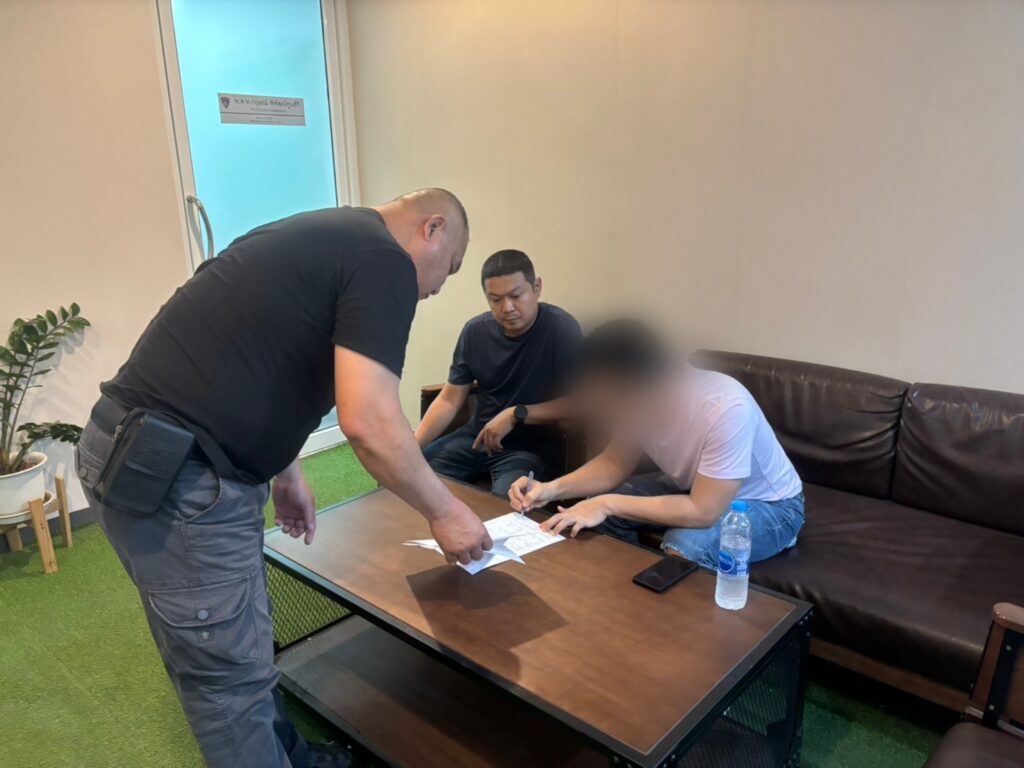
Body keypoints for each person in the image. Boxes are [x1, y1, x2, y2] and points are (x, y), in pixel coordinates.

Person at [74, 189, 492, 768]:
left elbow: (255, 358)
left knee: (238, 641)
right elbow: (369, 420)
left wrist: (285, 469)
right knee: (227, 683)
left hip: (136, 450)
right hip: (179, 475)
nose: (439, 287)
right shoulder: (384, 260)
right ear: (433, 228)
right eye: (451, 267)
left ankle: (292, 756)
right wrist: (446, 511)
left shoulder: (321, 234)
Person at [508, 319, 804, 569]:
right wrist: (550, 489)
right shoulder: (636, 395)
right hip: (694, 487)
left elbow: (704, 511)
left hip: (771, 506)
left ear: (636, 385)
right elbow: (613, 463)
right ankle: (618, 592)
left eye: (604, 392)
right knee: (593, 511)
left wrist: (606, 504)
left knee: (685, 542)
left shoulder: (725, 408)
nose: (599, 401)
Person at [415, 249, 581, 497]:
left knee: (506, 500)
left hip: (529, 448)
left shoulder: (561, 328)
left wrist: (516, 414)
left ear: (536, 288)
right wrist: (412, 446)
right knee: (412, 474)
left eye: (516, 295)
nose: (507, 308)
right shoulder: (475, 331)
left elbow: (581, 403)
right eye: (496, 299)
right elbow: (449, 400)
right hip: (476, 438)